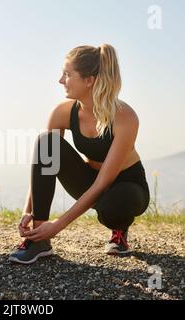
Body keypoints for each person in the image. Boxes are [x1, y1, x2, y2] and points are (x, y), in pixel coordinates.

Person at [9, 44, 150, 264]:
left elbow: (104, 182)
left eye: (67, 74)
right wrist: (30, 211)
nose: (60, 80)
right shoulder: (62, 112)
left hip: (127, 185)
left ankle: (119, 230)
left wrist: (57, 226)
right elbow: (45, 161)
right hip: (89, 179)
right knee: (48, 142)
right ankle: (38, 239)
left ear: (89, 80)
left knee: (112, 207)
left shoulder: (125, 117)